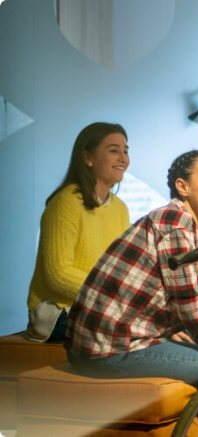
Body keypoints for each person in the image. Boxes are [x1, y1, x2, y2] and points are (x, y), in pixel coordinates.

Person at [65, 150, 198, 435]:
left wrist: (170, 330)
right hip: (110, 350)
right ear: (183, 187)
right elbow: (189, 301)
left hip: (110, 342)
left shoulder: (178, 222)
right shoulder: (176, 224)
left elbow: (178, 292)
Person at [26, 122, 130, 343]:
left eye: (125, 151)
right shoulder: (65, 202)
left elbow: (123, 269)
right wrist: (112, 295)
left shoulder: (120, 208)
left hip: (103, 306)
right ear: (88, 158)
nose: (123, 158)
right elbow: (59, 276)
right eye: (113, 150)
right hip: (58, 312)